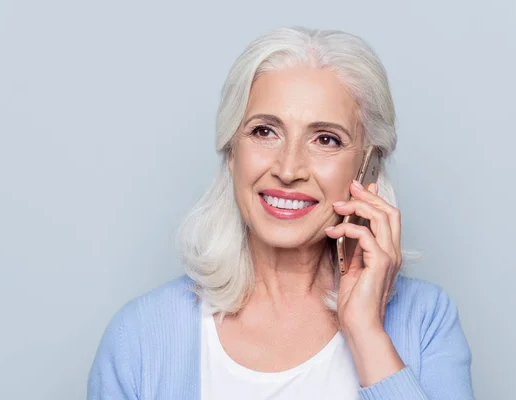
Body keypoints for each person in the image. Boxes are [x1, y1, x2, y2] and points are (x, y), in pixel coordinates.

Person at [87, 26, 474, 399]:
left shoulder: (426, 320)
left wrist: (367, 334)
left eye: (326, 139)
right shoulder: (140, 335)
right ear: (231, 153)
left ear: (367, 167)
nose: (288, 170)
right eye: (264, 131)